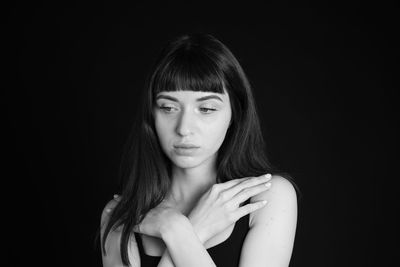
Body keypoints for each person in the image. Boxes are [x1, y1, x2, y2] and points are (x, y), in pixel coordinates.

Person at [100, 33, 298, 267]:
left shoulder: (267, 196)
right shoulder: (120, 216)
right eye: (168, 107)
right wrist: (189, 228)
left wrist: (177, 230)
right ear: (151, 115)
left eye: (206, 109)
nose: (184, 128)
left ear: (235, 114)